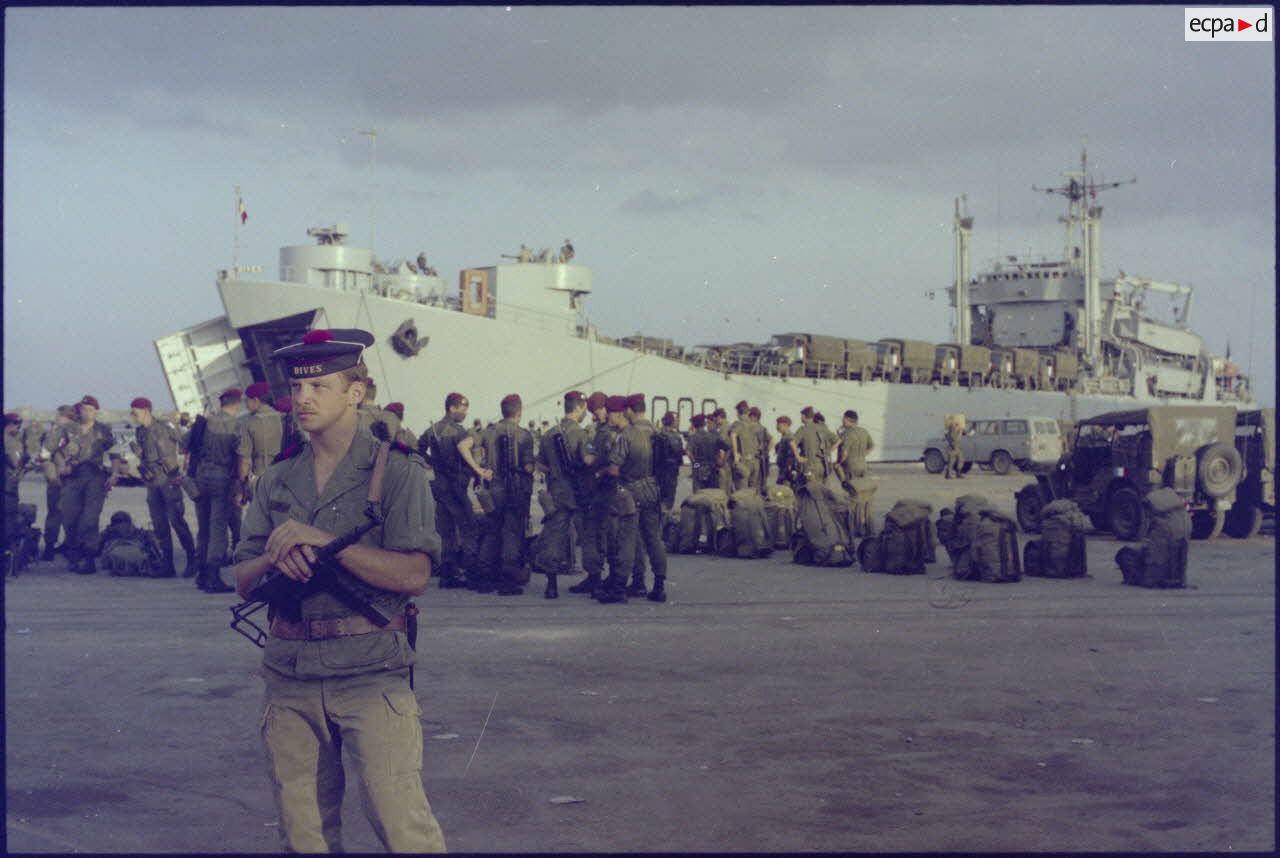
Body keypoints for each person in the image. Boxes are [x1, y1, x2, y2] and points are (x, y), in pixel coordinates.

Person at [231, 327, 446, 853]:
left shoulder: (397, 473)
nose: (302, 399)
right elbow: (242, 579)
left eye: (319, 387)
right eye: (297, 389)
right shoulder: (277, 480)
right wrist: (276, 556)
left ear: (356, 392)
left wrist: (326, 544)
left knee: (403, 827)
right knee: (304, 834)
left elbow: (414, 574)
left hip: (370, 673)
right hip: (290, 673)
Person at [533, 390, 594, 598]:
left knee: (554, 535)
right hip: (579, 491)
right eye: (584, 408)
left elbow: (540, 464)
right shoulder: (581, 433)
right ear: (578, 408)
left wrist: (556, 471)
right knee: (587, 535)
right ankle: (593, 577)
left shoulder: (550, 433)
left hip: (557, 491)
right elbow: (587, 461)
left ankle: (551, 585)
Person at [132, 397, 198, 577]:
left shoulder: (165, 427)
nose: (133, 416)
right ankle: (167, 564)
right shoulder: (140, 432)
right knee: (159, 523)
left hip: (169, 479)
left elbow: (186, 446)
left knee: (177, 521)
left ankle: (192, 559)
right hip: (152, 482)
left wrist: (185, 472)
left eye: (135, 413)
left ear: (146, 410)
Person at [477, 394, 534, 596]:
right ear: (519, 412)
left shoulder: (488, 432)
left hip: (493, 490)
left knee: (492, 531)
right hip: (514, 490)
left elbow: (468, 447)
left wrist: (480, 469)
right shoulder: (524, 435)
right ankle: (508, 578)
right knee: (511, 533)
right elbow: (528, 467)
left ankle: (484, 576)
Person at [51, 395, 116, 574]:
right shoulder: (68, 428)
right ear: (78, 410)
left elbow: (114, 453)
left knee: (89, 520)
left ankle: (89, 559)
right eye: (83, 409)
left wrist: (115, 474)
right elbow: (56, 451)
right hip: (73, 478)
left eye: (90, 409)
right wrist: (62, 464)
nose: (86, 412)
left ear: (96, 411)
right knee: (69, 518)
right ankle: (73, 554)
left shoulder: (104, 430)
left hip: (95, 478)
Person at [422, 393, 481, 589]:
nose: (465, 412)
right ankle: (472, 574)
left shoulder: (432, 430)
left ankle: (447, 575)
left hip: (440, 487)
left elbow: (417, 450)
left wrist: (432, 463)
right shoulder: (459, 431)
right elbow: (467, 458)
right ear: (452, 408)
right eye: (462, 408)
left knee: (446, 533)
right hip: (456, 488)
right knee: (469, 529)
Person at [190, 388, 242, 593]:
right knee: (218, 528)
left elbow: (187, 444)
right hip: (222, 479)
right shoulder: (236, 425)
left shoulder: (204, 423)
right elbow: (241, 454)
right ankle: (213, 576)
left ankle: (201, 574)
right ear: (237, 403)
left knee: (203, 528)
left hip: (201, 476)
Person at [621, 393, 668, 601]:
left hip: (632, 489)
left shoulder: (628, 434)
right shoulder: (657, 432)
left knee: (631, 539)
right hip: (655, 489)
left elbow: (616, 465)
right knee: (653, 538)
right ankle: (659, 584)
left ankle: (636, 580)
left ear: (630, 410)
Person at [595, 396, 639, 604]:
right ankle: (630, 583)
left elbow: (614, 468)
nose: (608, 416)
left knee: (617, 542)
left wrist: (600, 472)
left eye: (610, 412)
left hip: (620, 493)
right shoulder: (641, 433)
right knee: (630, 542)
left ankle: (618, 587)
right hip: (638, 493)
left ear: (619, 413)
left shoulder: (622, 437)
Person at [568, 392, 611, 596]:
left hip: (605, 487)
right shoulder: (599, 430)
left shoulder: (608, 431)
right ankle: (596, 576)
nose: (596, 415)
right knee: (594, 533)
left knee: (600, 533)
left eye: (598, 410)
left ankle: (603, 577)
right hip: (596, 489)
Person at [36, 404, 76, 559]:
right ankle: (70, 546)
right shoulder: (79, 430)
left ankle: (50, 548)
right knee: (70, 513)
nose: (56, 417)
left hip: (58, 477)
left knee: (54, 512)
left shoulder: (56, 430)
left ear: (63, 416)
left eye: (58, 415)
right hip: (71, 476)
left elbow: (45, 452)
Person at [237, 382, 284, 508]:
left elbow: (244, 461)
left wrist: (243, 487)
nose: (246, 405)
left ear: (256, 400)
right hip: (287, 476)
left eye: (247, 400)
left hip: (263, 479)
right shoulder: (284, 418)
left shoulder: (249, 424)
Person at [653, 411, 684, 513]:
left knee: (660, 498)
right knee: (670, 498)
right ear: (672, 422)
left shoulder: (658, 436)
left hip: (661, 473)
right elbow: (680, 460)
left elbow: (656, 457)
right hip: (673, 473)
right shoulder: (677, 437)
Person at [4, 413, 26, 555]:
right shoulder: (9, 442)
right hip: (8, 488)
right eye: (16, 424)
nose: (18, 427)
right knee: (9, 517)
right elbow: (16, 463)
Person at [835, 409, 874, 486]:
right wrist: (863, 455)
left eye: (843, 419)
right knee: (861, 487)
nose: (842, 421)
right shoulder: (864, 431)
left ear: (847, 419)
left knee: (849, 486)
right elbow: (871, 446)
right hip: (863, 464)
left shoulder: (847, 433)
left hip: (851, 466)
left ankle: (847, 488)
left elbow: (844, 453)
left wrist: (839, 463)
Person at [728, 400, 760, 491]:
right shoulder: (755, 425)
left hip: (744, 462)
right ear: (748, 412)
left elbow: (733, 434)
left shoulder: (738, 424)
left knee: (742, 493)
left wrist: (735, 454)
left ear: (738, 413)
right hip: (754, 462)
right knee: (753, 492)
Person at [686, 413, 721, 491]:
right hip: (711, 468)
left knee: (698, 493)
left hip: (699, 467)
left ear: (694, 425)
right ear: (704, 424)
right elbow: (720, 450)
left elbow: (688, 452)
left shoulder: (694, 437)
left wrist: (695, 464)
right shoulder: (712, 436)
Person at [749, 406, 771, 496]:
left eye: (749, 416)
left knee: (753, 484)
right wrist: (766, 451)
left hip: (755, 459)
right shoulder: (762, 428)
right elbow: (771, 440)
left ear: (754, 417)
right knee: (761, 483)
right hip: (761, 459)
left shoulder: (752, 427)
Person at [774, 415, 798, 487]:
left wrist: (790, 466)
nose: (777, 427)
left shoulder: (788, 436)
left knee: (784, 488)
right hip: (783, 468)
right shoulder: (784, 437)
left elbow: (792, 445)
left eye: (779, 425)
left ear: (785, 425)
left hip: (787, 468)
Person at [943, 415, 966, 480]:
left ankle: (958, 473)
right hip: (953, 445)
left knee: (961, 459)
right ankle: (948, 474)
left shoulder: (960, 427)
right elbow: (947, 435)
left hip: (957, 445)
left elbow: (964, 433)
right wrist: (951, 444)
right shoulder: (951, 427)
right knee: (952, 461)